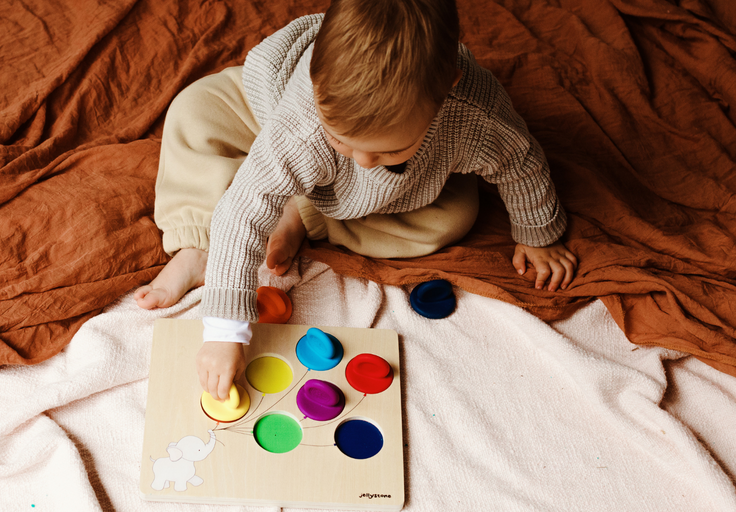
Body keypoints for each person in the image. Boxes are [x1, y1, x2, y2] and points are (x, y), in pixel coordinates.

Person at [135, 0, 578, 401]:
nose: (365, 162)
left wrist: (538, 233)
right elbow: (243, 207)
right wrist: (224, 330)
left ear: (446, 90)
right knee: (194, 112)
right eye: (344, 141)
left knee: (456, 215)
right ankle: (200, 244)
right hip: (269, 122)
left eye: (388, 151)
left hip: (391, 193)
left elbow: (522, 162)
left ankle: (301, 214)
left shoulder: (475, 116)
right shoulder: (305, 123)